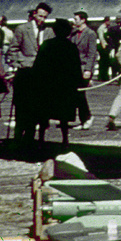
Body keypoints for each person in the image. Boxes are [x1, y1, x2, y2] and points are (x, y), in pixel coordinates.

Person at [32, 18, 83, 147]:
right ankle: (65, 139)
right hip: (65, 85)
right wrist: (78, 83)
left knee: (44, 112)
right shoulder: (71, 47)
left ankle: (41, 138)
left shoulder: (47, 45)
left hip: (48, 83)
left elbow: (38, 65)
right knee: (64, 115)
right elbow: (76, 68)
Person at [69, 11, 98, 130]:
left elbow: (92, 53)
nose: (74, 21)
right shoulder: (74, 34)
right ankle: (82, 118)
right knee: (75, 94)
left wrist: (88, 70)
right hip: (73, 68)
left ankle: (87, 117)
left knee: (80, 94)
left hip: (83, 67)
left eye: (76, 19)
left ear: (83, 20)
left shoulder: (90, 34)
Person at [7, 3, 50, 71]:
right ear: (34, 14)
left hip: (43, 69)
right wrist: (17, 65)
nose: (42, 19)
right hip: (26, 68)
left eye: (45, 17)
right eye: (40, 16)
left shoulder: (48, 30)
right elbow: (13, 49)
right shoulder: (22, 29)